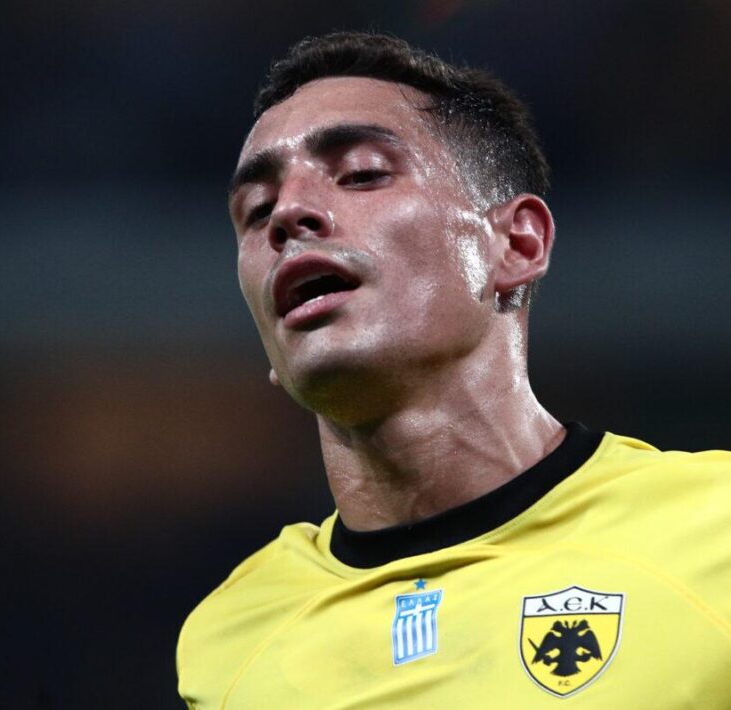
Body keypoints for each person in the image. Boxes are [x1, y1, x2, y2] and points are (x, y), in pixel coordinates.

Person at [176, 32, 731, 707]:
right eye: (256, 211)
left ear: (516, 244)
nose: (287, 215)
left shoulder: (714, 529)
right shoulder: (229, 641)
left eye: (362, 174)